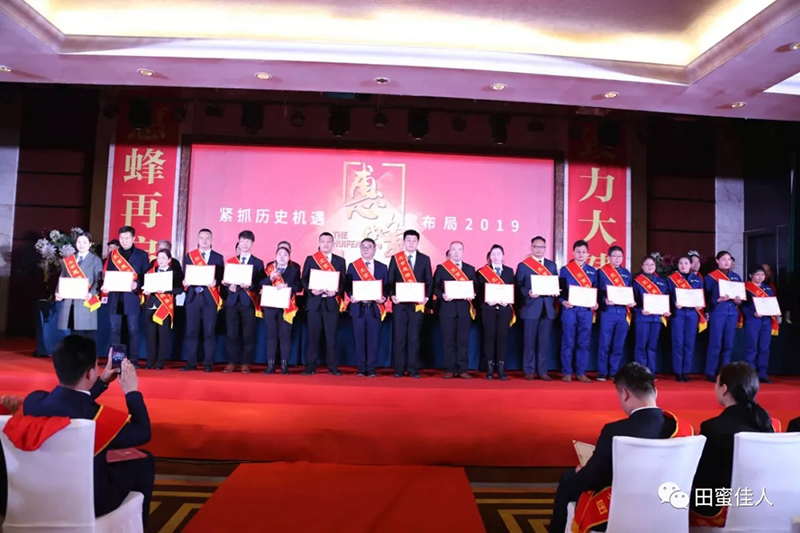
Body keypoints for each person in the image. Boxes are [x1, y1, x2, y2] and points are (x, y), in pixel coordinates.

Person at [22, 335, 154, 527]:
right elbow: (143, 432)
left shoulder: (33, 402)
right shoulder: (97, 419)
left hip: (38, 494)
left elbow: (70, 401)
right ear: (90, 373)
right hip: (89, 502)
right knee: (145, 460)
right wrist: (131, 391)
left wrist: (102, 381)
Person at [549, 362, 692, 533]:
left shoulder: (615, 431)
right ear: (655, 391)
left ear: (625, 394)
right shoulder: (682, 429)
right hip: (668, 508)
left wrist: (583, 472)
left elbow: (592, 479)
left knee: (568, 479)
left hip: (620, 512)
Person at [690, 362, 776, 525]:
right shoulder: (767, 425)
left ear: (724, 389)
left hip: (719, 506)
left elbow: (702, 478)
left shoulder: (713, 428)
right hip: (761, 502)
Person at [387, 229, 433, 378]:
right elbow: (390, 280)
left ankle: (413, 369)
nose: (411, 243)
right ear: (404, 242)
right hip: (400, 305)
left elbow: (429, 281)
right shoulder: (396, 259)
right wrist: (392, 295)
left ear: (418, 242)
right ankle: (399, 369)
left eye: (414, 240)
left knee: (414, 338)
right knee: (399, 338)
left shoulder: (424, 259)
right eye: (408, 240)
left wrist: (426, 297)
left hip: (417, 305)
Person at [103, 226, 149, 366]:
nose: (124, 241)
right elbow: (109, 273)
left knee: (133, 329)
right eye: (122, 238)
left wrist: (137, 283)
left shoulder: (142, 255)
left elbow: (146, 275)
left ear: (133, 238)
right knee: (115, 329)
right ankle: (116, 361)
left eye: (127, 238)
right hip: (115, 297)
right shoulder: (113, 255)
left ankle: (133, 360)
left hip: (132, 297)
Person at [301, 232, 347, 375]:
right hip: (314, 303)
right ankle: (310, 365)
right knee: (313, 336)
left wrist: (336, 291)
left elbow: (343, 282)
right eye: (323, 241)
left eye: (328, 242)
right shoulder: (311, 259)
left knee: (331, 336)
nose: (326, 244)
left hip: (331, 303)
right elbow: (304, 279)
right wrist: (311, 290)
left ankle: (333, 366)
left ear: (333, 244)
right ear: (319, 243)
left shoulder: (340, 261)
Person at [182, 228, 224, 372]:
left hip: (210, 298)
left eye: (207, 238)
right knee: (191, 332)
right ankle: (191, 362)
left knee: (209, 332)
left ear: (211, 240)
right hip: (193, 297)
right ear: (198, 240)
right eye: (202, 238)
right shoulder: (190, 256)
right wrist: (185, 281)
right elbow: (185, 274)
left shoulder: (218, 257)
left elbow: (220, 277)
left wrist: (216, 282)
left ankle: (208, 363)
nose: (204, 241)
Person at [222, 230, 264, 374]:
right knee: (231, 333)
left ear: (252, 243)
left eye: (248, 241)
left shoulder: (258, 263)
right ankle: (231, 362)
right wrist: (229, 286)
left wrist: (250, 286)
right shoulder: (231, 262)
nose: (245, 244)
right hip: (232, 302)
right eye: (242, 241)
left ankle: (246, 363)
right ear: (238, 243)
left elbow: (260, 284)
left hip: (248, 302)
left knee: (248, 334)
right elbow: (226, 282)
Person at [516, 236, 558, 381]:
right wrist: (528, 292)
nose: (539, 250)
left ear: (545, 248)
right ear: (531, 247)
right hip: (530, 307)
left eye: (542, 247)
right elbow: (518, 286)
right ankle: (529, 370)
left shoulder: (551, 265)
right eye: (536, 247)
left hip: (547, 308)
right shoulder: (524, 266)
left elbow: (555, 283)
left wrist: (555, 291)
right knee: (529, 341)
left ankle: (543, 371)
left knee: (544, 342)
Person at [434, 241, 476, 379]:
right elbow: (435, 288)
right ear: (449, 252)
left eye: (459, 249)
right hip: (447, 309)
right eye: (454, 249)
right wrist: (442, 295)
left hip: (464, 310)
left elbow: (475, 288)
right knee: (448, 341)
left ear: (463, 252)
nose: (456, 252)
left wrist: (473, 294)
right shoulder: (441, 268)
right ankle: (449, 369)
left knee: (463, 341)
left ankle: (463, 369)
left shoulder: (470, 269)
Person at [346, 238, 388, 377]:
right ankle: (360, 368)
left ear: (375, 249)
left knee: (373, 340)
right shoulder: (353, 266)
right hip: (358, 308)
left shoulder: (382, 267)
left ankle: (371, 369)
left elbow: (386, 287)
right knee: (359, 340)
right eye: (363, 246)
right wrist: (351, 295)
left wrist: (383, 297)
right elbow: (348, 286)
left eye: (369, 247)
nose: (366, 249)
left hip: (374, 308)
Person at [559, 240, 598, 382]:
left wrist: (595, 303)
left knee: (584, 342)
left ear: (588, 254)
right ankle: (567, 372)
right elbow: (560, 290)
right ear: (573, 253)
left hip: (586, 311)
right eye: (578, 251)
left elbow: (596, 291)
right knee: (568, 341)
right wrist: (563, 301)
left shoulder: (593, 271)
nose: (581, 254)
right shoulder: (565, 270)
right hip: (570, 310)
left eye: (584, 252)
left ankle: (581, 372)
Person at [596, 245, 635, 381]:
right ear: (609, 257)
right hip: (608, 311)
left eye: (620, 256)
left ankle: (613, 372)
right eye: (614, 256)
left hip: (622, 312)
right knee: (605, 343)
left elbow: (630, 291)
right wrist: (604, 300)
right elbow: (597, 291)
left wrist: (631, 301)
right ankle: (602, 372)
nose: (617, 259)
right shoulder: (602, 272)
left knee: (618, 344)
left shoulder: (626, 273)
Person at [476, 244, 515, 380]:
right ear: (489, 256)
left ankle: (501, 369)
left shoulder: (509, 271)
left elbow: (513, 289)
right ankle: (489, 369)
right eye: (493, 254)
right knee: (489, 338)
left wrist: (508, 301)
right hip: (488, 310)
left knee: (502, 339)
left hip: (504, 309)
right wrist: (486, 301)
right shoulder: (482, 272)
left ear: (503, 256)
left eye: (498, 254)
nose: (496, 257)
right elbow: (478, 292)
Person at [261, 245, 302, 374]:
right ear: (275, 256)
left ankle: (284, 365)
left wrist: (287, 286)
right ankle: (271, 364)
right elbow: (259, 284)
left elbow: (299, 287)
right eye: (280, 254)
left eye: (285, 255)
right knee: (271, 335)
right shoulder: (269, 269)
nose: (282, 257)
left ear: (289, 257)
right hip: (270, 306)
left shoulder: (293, 270)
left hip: (286, 307)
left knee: (285, 336)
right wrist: (270, 278)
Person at [55, 232, 103, 340]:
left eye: (85, 242)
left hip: (86, 301)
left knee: (87, 335)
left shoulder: (95, 260)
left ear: (90, 244)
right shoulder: (69, 260)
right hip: (70, 302)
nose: (81, 245)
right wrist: (58, 292)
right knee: (74, 334)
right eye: (79, 242)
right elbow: (62, 277)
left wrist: (91, 293)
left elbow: (99, 280)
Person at [704, 251, 743, 381]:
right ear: (717, 261)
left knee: (728, 344)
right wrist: (717, 300)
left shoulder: (736, 277)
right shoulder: (710, 278)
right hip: (718, 312)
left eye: (729, 259)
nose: (727, 262)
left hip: (732, 312)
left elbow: (742, 297)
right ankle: (710, 371)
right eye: (723, 259)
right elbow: (705, 297)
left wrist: (739, 301)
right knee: (715, 343)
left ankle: (724, 372)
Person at [666, 256, 706, 382]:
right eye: (681, 263)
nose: (683, 266)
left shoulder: (697, 279)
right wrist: (674, 304)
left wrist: (700, 305)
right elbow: (667, 296)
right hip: (678, 313)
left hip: (692, 314)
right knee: (678, 343)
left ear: (690, 265)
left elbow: (701, 295)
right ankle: (678, 371)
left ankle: (686, 371)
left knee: (689, 343)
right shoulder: (671, 279)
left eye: (686, 263)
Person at [142, 249, 183, 370]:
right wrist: (146, 290)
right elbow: (145, 286)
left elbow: (179, 290)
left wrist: (166, 290)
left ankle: (160, 363)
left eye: (164, 258)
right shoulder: (151, 272)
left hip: (165, 306)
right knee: (150, 335)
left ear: (169, 260)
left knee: (163, 335)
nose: (160, 260)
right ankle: (150, 362)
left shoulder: (174, 273)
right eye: (159, 258)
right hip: (151, 305)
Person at [632, 256, 670, 375]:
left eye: (652, 264)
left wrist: (666, 311)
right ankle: (641, 372)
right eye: (647, 264)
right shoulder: (636, 282)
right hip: (642, 318)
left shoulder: (661, 282)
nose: (649, 267)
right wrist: (639, 310)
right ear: (642, 266)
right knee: (641, 346)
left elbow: (666, 299)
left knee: (652, 346)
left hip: (656, 319)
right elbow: (632, 300)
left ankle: (650, 372)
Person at [742, 266, 778, 384]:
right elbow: (742, 306)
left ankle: (762, 374)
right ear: (751, 275)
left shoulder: (768, 288)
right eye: (757, 274)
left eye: (762, 275)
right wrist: (752, 313)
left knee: (764, 348)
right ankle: (750, 375)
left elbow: (772, 302)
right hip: (753, 320)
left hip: (766, 320)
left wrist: (775, 311)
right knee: (752, 347)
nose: (760, 277)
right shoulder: (746, 288)